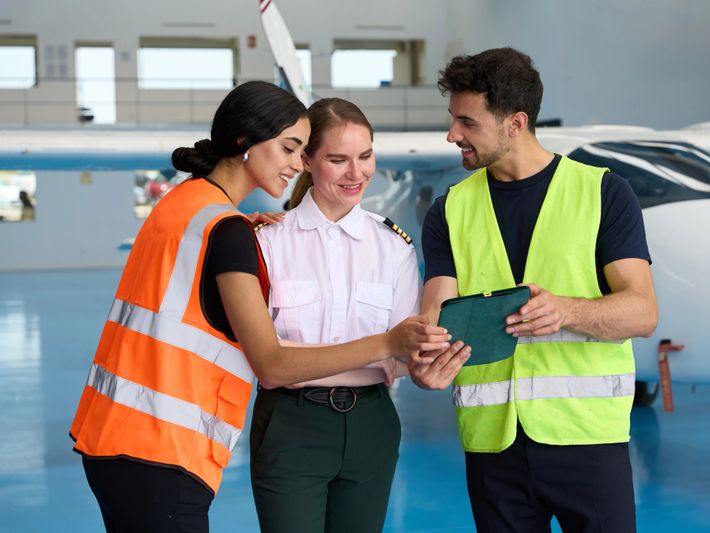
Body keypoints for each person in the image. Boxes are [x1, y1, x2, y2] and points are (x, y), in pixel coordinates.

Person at [69, 82, 451, 533]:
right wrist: (387, 344)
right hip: (170, 441)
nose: (294, 162)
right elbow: (271, 363)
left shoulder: (193, 209)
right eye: (293, 149)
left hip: (123, 433)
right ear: (246, 144)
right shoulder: (247, 236)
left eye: (365, 156)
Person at [409, 48, 658, 533]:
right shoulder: (449, 211)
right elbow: (434, 317)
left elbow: (642, 313)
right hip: (492, 449)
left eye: (467, 122)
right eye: (452, 119)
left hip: (588, 441)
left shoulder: (604, 193)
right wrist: (425, 362)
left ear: (515, 123)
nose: (451, 135)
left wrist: (565, 311)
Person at [248, 97, 460, 533]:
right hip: (291, 424)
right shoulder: (269, 242)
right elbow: (263, 359)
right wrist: (382, 350)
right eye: (338, 159)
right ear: (306, 160)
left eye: (365, 157)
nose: (356, 173)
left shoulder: (394, 247)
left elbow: (404, 356)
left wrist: (429, 363)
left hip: (372, 425)